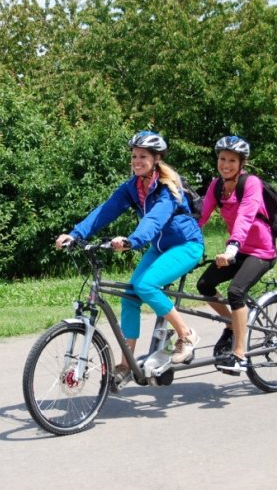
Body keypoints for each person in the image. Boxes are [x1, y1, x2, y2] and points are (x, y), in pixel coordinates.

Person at [55, 131, 205, 386]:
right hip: (159, 247)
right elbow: (104, 211)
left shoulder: (170, 188)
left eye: (143, 156)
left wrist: (131, 241)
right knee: (130, 297)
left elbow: (154, 219)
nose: (136, 160)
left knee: (145, 285)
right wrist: (75, 234)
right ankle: (127, 365)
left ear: (156, 158)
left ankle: (186, 334)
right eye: (134, 156)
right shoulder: (132, 188)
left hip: (186, 246)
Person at [196, 136, 277, 374]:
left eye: (232, 160)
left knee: (236, 291)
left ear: (242, 163)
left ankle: (240, 354)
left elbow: (245, 216)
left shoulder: (251, 183)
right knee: (205, 284)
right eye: (222, 159)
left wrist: (231, 248)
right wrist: (182, 238)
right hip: (239, 249)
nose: (225, 164)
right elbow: (202, 215)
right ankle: (233, 323)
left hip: (261, 251)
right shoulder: (216, 186)